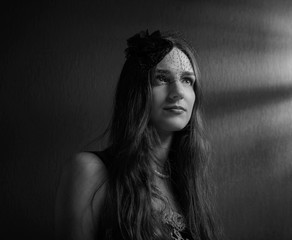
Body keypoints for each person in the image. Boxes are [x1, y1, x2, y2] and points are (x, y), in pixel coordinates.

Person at [55, 30, 219, 240]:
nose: (178, 91)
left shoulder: (186, 182)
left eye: (187, 80)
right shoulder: (90, 171)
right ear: (136, 92)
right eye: (161, 78)